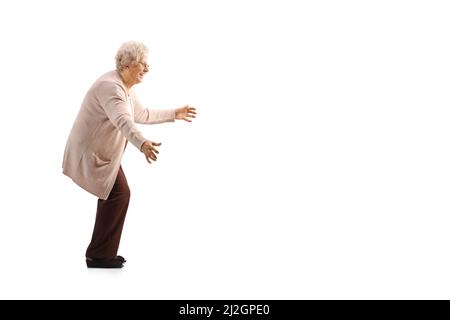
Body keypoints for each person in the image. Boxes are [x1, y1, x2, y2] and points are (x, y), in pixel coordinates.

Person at [62, 41, 197, 268]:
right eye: (142, 64)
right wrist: (142, 143)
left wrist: (175, 113)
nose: (147, 69)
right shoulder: (111, 88)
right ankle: (99, 255)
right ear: (125, 65)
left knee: (115, 195)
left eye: (147, 64)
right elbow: (123, 121)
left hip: (104, 154)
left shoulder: (124, 87)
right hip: (91, 153)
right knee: (119, 194)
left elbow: (140, 114)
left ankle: (100, 252)